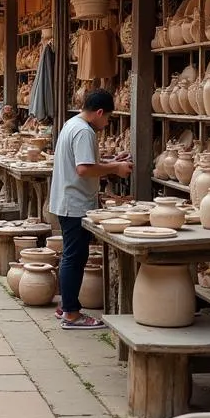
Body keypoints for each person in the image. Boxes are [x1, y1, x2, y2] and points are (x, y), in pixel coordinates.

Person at [50, 89, 132, 330]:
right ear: (98, 112)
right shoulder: (85, 132)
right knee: (74, 257)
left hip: (68, 199)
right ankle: (72, 314)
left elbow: (85, 163)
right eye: (107, 118)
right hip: (74, 202)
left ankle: (65, 306)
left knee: (72, 255)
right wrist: (115, 168)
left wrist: (112, 162)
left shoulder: (72, 123)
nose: (107, 123)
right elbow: (84, 169)